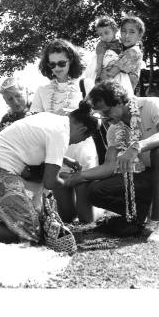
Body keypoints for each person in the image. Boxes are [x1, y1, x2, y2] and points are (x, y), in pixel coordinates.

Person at [64, 82, 159, 241]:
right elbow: (109, 166)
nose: (104, 118)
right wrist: (80, 176)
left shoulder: (152, 105)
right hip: (149, 177)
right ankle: (142, 216)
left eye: (106, 111)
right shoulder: (114, 129)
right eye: (101, 114)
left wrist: (136, 147)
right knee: (96, 191)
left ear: (119, 102)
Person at [0, 102, 98, 243]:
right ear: (82, 130)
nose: (76, 142)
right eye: (82, 139)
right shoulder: (62, 134)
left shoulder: (52, 119)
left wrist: (64, 159)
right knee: (32, 231)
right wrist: (75, 179)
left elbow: (31, 142)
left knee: (0, 221)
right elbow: (50, 181)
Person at [29, 39, 101, 223]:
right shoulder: (42, 90)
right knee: (67, 216)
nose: (57, 68)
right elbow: (33, 122)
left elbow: (97, 117)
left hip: (82, 150)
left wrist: (74, 114)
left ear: (71, 60)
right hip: (57, 155)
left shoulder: (85, 84)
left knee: (86, 218)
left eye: (62, 63)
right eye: (52, 64)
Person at [100, 14, 145, 95]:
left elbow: (109, 75)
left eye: (132, 32)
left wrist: (101, 71)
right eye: (124, 31)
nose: (126, 36)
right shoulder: (122, 50)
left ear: (139, 36)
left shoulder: (133, 52)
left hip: (120, 99)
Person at [93, 16, 124, 84]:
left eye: (106, 33)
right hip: (106, 69)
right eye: (100, 34)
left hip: (117, 69)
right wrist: (98, 75)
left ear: (114, 31)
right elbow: (99, 61)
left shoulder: (121, 42)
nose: (104, 37)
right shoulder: (102, 44)